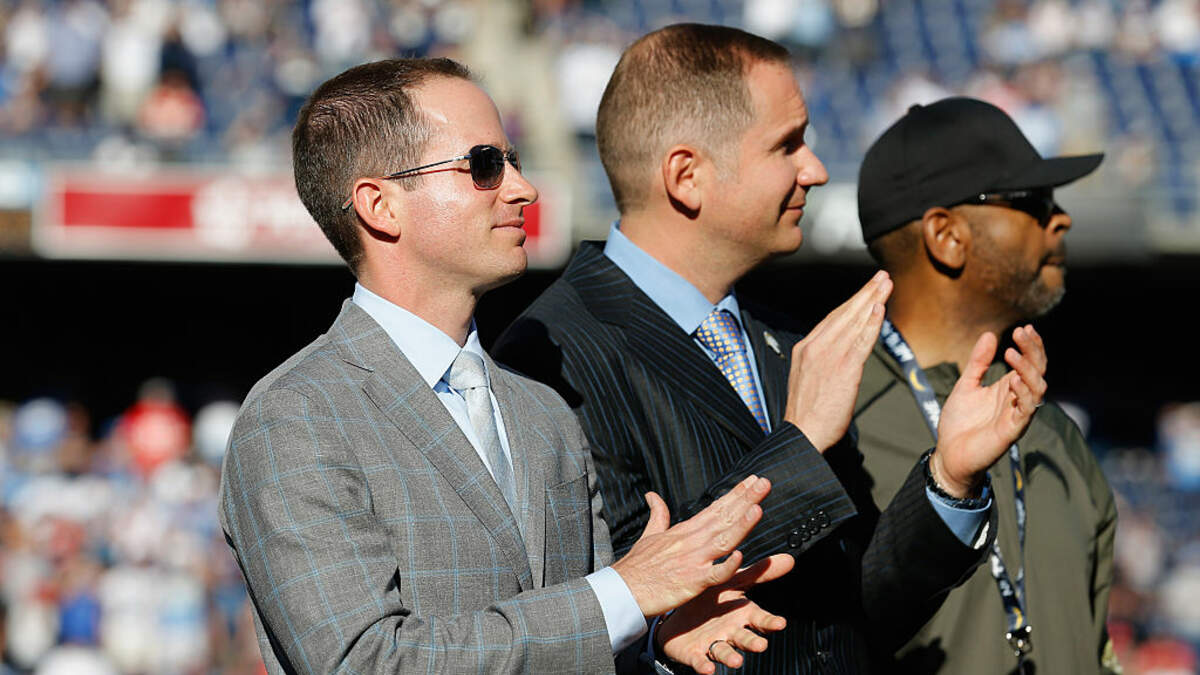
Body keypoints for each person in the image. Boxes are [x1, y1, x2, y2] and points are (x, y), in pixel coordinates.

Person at [492, 24, 1048, 673]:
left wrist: (948, 480)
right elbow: (613, 616)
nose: (816, 169)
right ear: (687, 176)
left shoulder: (785, 342)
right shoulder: (548, 355)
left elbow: (853, 611)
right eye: (788, 144)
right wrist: (800, 441)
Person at [217, 57, 798, 675]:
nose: (523, 188)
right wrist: (622, 597)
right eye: (485, 165)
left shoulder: (543, 410)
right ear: (380, 205)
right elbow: (365, 662)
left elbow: (580, 636)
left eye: (512, 160)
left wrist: (653, 639)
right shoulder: (295, 417)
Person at [852, 96, 1120, 674]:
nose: (1061, 219)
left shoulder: (1055, 431)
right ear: (946, 235)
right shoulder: (833, 418)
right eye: (1033, 202)